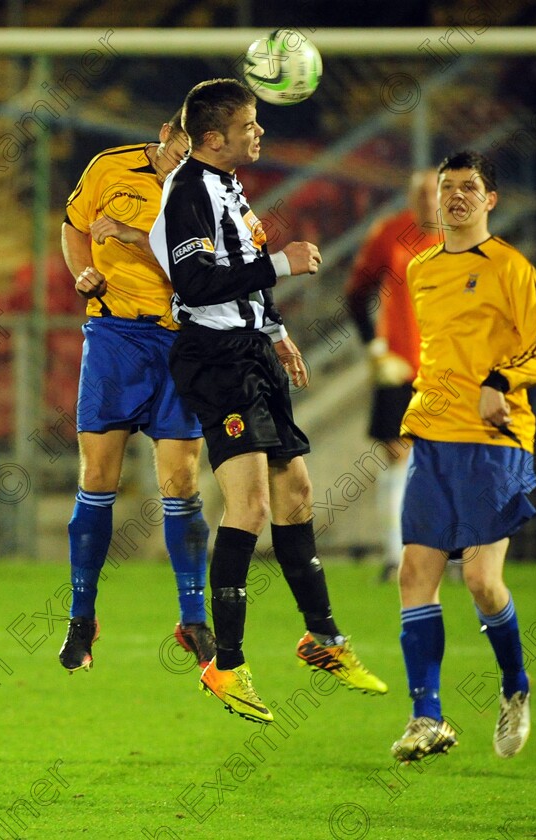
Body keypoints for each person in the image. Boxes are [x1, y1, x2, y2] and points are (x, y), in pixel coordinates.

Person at [149, 78, 388, 724]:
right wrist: (281, 265)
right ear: (211, 139)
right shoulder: (189, 194)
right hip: (214, 360)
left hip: (251, 354)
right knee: (249, 504)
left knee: (297, 495)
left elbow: (244, 261)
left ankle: (323, 640)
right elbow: (196, 283)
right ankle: (225, 666)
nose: (260, 133)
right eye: (249, 125)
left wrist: (277, 332)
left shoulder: (229, 187)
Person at [391, 151, 536, 761]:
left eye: (469, 188)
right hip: (436, 439)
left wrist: (498, 379)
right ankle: (426, 718)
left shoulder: (511, 268)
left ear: (490, 199)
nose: (456, 197)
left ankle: (515, 683)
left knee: (484, 582)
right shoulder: (420, 270)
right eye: (447, 188)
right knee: (416, 574)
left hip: (495, 443)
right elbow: (440, 354)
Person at [58, 110, 216, 675]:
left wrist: (131, 237)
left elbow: (201, 276)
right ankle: (82, 619)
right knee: (97, 476)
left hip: (181, 340)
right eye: (182, 147)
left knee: (181, 480)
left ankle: (193, 618)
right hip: (115, 337)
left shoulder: (205, 192)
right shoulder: (109, 167)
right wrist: (83, 271)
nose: (185, 159)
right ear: (166, 134)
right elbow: (73, 225)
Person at [344, 170, 441, 582]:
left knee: (443, 462)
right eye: (419, 194)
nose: (427, 202)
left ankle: (445, 556)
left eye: (434, 193)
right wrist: (375, 349)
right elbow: (355, 293)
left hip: (448, 367)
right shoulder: (390, 233)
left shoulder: (464, 239)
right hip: (400, 366)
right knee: (399, 457)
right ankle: (395, 556)